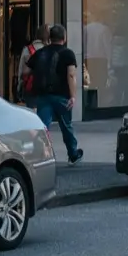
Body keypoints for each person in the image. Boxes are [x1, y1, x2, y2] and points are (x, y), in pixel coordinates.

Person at [28, 23, 83, 164]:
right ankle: (73, 153)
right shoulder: (68, 53)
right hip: (61, 96)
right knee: (66, 126)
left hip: (43, 96)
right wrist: (73, 96)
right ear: (64, 37)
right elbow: (71, 75)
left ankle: (40, 153)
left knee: (43, 126)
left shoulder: (40, 53)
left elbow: (26, 71)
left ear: (50, 38)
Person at [15, 23, 49, 106]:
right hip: (46, 89)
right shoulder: (49, 50)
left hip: (30, 87)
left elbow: (21, 71)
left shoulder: (27, 49)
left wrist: (19, 86)